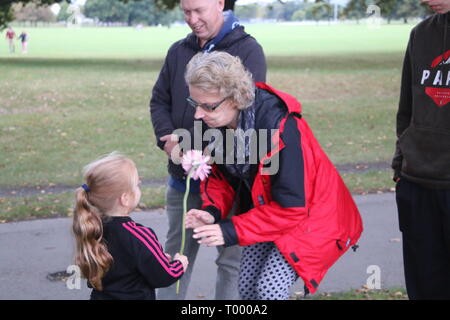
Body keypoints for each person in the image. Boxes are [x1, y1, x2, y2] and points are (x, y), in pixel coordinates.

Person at [184, 51, 363, 300]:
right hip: (266, 212)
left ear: (235, 98)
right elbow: (220, 178)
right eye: (195, 104)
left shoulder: (281, 127)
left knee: (269, 290)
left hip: (310, 218)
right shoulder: (218, 123)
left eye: (207, 106)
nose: (198, 115)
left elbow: (292, 207)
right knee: (246, 288)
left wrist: (229, 230)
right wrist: (211, 211)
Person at [150, 0, 266, 300]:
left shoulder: (248, 50)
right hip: (183, 182)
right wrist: (167, 138)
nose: (192, 19)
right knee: (175, 258)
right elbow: (159, 100)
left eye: (198, 10)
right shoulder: (178, 51)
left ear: (219, 3)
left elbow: (248, 113)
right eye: (186, 11)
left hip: (231, 181)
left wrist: (206, 151)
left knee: (231, 263)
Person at [392, 0, 450, 300]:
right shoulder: (420, 34)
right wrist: (402, 163)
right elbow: (407, 108)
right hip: (417, 181)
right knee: (425, 287)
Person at [72, 152, 188, 300]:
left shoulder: (92, 228)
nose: (139, 187)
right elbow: (163, 276)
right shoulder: (139, 235)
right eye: (137, 185)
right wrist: (179, 264)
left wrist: (155, 259)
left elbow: (121, 265)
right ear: (125, 198)